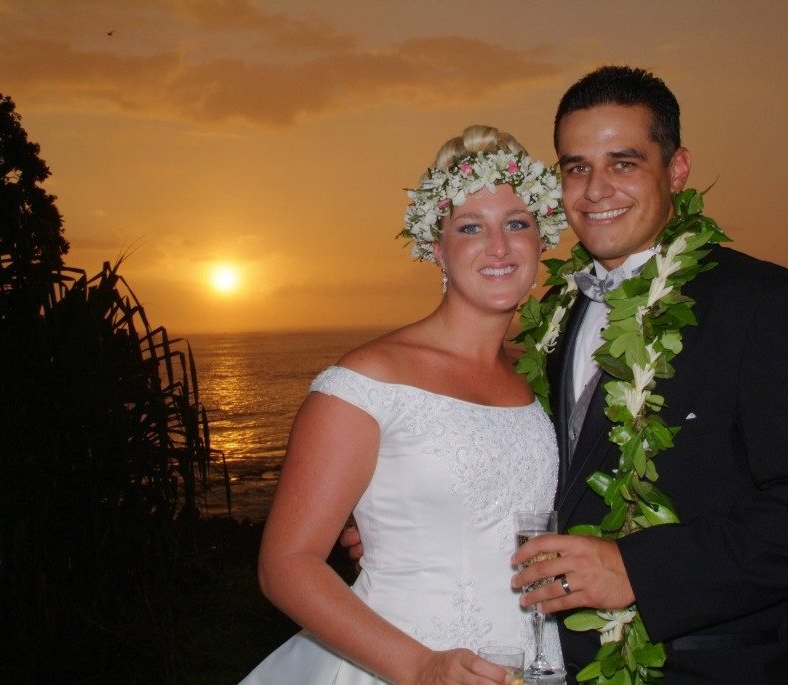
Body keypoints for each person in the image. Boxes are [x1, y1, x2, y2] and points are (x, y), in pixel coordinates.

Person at [509, 66, 788, 683]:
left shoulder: (765, 305)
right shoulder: (556, 314)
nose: (595, 189)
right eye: (576, 167)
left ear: (676, 169)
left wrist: (640, 570)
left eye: (623, 163)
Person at [240, 125, 567, 685]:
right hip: (401, 664)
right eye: (471, 228)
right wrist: (421, 668)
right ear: (437, 249)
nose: (498, 246)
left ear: (542, 239)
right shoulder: (367, 381)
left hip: (540, 665)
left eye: (517, 224)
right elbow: (286, 566)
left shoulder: (542, 376)